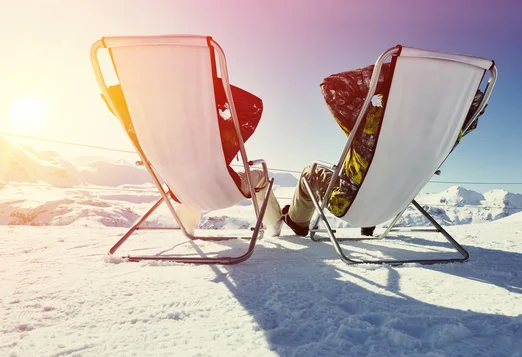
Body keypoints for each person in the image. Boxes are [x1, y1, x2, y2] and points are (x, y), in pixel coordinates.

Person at [282, 62, 486, 237]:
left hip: (349, 204)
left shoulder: (373, 121)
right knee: (372, 168)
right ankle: (369, 221)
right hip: (392, 205)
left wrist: (393, 77)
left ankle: (297, 223)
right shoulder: (447, 132)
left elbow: (331, 86)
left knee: (312, 172)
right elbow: (477, 103)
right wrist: (451, 86)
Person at [101, 80, 282, 236]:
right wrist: (206, 83)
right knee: (259, 175)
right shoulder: (221, 132)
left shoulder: (150, 133)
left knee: (186, 175)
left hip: (181, 192)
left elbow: (113, 98)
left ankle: (187, 227)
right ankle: (273, 225)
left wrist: (146, 85)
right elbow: (253, 107)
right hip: (223, 190)